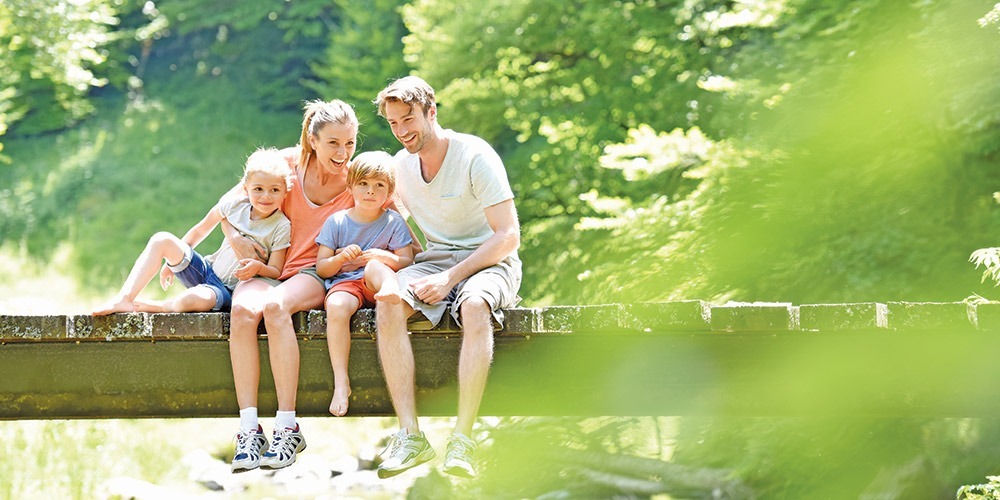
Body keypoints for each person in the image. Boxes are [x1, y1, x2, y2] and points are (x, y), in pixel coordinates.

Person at [223, 100, 415, 473]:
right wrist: (234, 241)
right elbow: (226, 208)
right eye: (333, 144)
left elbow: (404, 234)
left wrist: (431, 272)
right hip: (268, 268)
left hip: (314, 274)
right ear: (313, 140)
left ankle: (287, 426)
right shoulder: (286, 164)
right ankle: (248, 430)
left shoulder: (361, 178)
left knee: (276, 308)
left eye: (350, 143)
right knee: (243, 312)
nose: (343, 154)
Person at [372, 76, 522, 479]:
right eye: (393, 123)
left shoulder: (475, 156)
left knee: (473, 306)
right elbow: (374, 207)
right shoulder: (399, 167)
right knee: (387, 303)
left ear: (431, 112)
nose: (402, 131)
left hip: (491, 261)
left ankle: (462, 440)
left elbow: (508, 236)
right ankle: (410, 436)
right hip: (434, 261)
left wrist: (450, 279)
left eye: (409, 119)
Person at [92, 147, 292, 316]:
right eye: (258, 189)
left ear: (285, 191)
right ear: (246, 187)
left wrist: (258, 268)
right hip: (206, 270)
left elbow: (275, 271)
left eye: (274, 190)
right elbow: (200, 230)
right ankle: (124, 298)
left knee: (194, 299)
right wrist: (176, 258)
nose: (266, 196)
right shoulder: (234, 205)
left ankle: (161, 306)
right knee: (161, 239)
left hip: (227, 291)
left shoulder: (281, 226)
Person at [316, 151, 414, 417]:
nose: (370, 191)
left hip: (378, 283)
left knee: (373, 265)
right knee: (336, 306)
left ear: (389, 192)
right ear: (350, 186)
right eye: (363, 184)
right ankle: (341, 381)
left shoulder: (393, 221)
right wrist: (339, 258)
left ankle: (391, 288)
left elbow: (407, 260)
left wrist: (386, 257)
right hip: (347, 284)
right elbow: (322, 267)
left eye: (379, 186)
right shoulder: (337, 222)